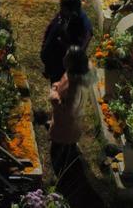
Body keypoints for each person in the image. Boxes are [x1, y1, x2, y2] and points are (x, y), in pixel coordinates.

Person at [49, 45, 90, 180]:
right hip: (65, 126)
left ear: (72, 62)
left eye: (67, 57)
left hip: (65, 128)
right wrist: (56, 87)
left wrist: (54, 96)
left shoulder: (74, 86)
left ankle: (61, 179)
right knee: (64, 150)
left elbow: (67, 110)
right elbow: (60, 84)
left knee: (58, 154)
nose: (63, 58)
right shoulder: (71, 75)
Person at [40, 0, 94, 84]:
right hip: (52, 55)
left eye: (63, 9)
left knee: (59, 83)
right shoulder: (62, 16)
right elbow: (50, 29)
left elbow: (87, 35)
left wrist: (75, 52)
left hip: (63, 59)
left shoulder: (81, 22)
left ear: (73, 11)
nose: (60, 10)